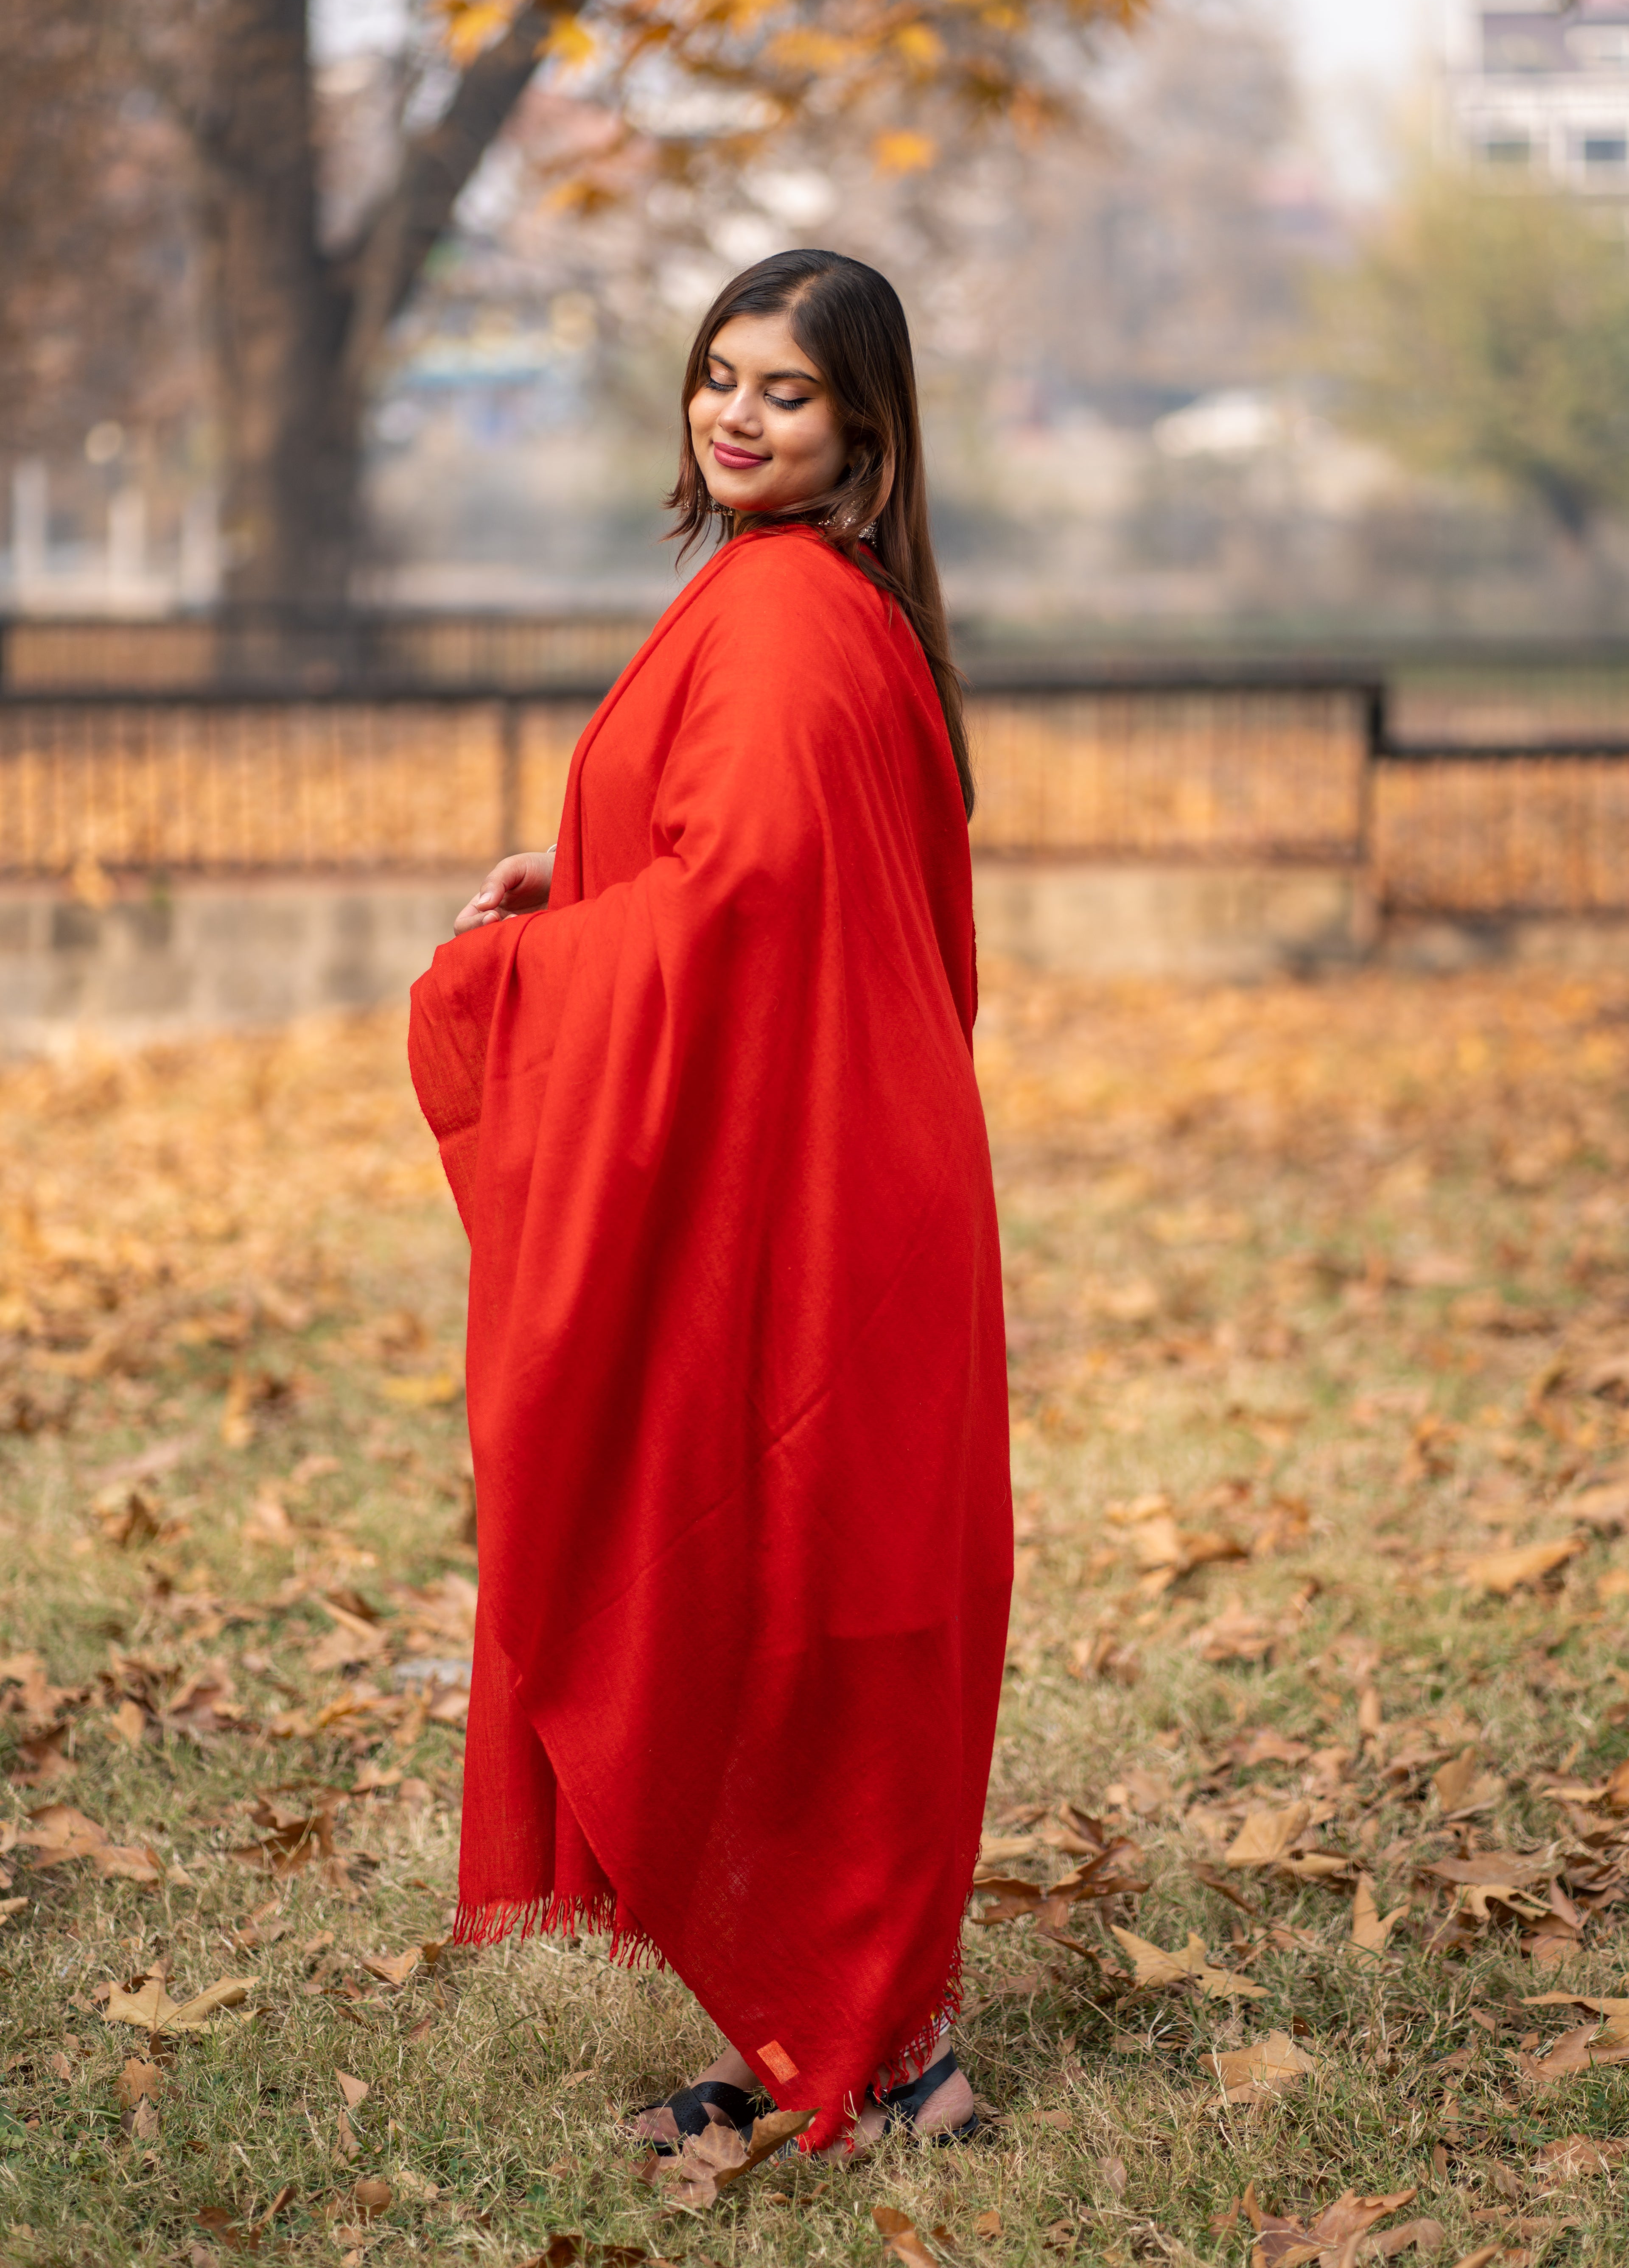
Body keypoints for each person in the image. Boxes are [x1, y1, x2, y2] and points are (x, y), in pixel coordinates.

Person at [408, 249, 1011, 2156]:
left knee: (804, 1582)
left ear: (866, 429)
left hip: (827, 1190)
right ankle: (866, 2038)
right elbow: (761, 860)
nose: (738, 416)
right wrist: (579, 873)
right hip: (857, 1159)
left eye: (788, 392)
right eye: (720, 376)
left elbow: (748, 902)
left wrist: (512, 979)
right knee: (816, 1582)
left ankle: (885, 2059)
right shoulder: (825, 600)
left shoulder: (784, 615)